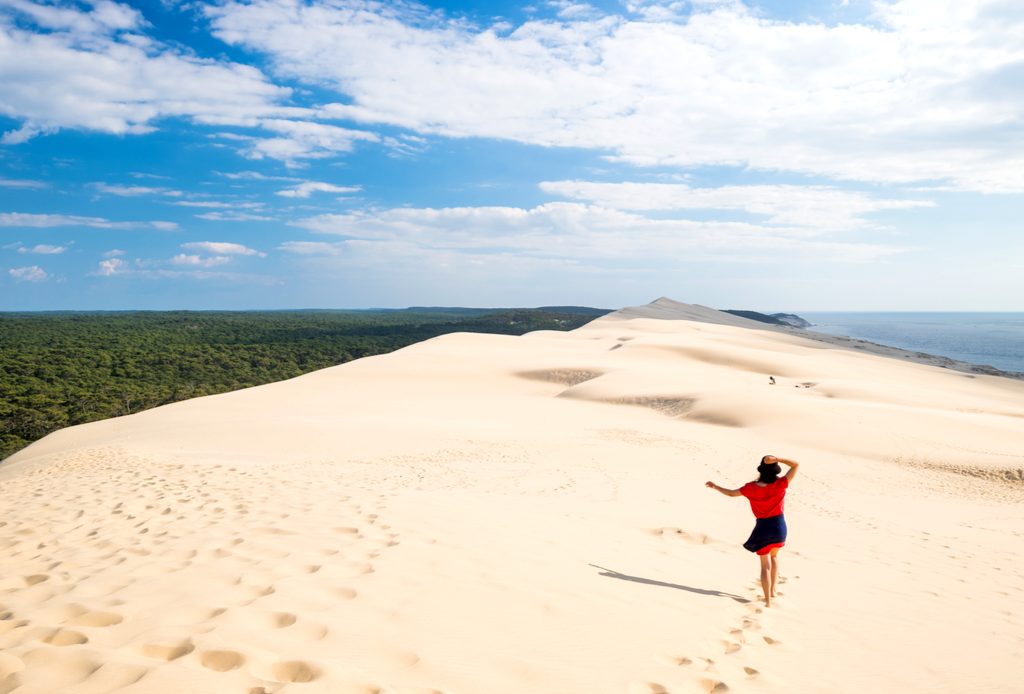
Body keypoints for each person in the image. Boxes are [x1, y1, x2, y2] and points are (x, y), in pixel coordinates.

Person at [705, 455, 799, 607]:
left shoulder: (750, 488)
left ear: (761, 470)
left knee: (764, 566)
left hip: (762, 527)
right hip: (779, 526)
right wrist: (777, 458)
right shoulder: (781, 484)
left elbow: (730, 493)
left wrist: (716, 487)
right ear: (775, 470)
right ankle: (773, 591)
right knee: (774, 558)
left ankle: (768, 600)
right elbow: (796, 465)